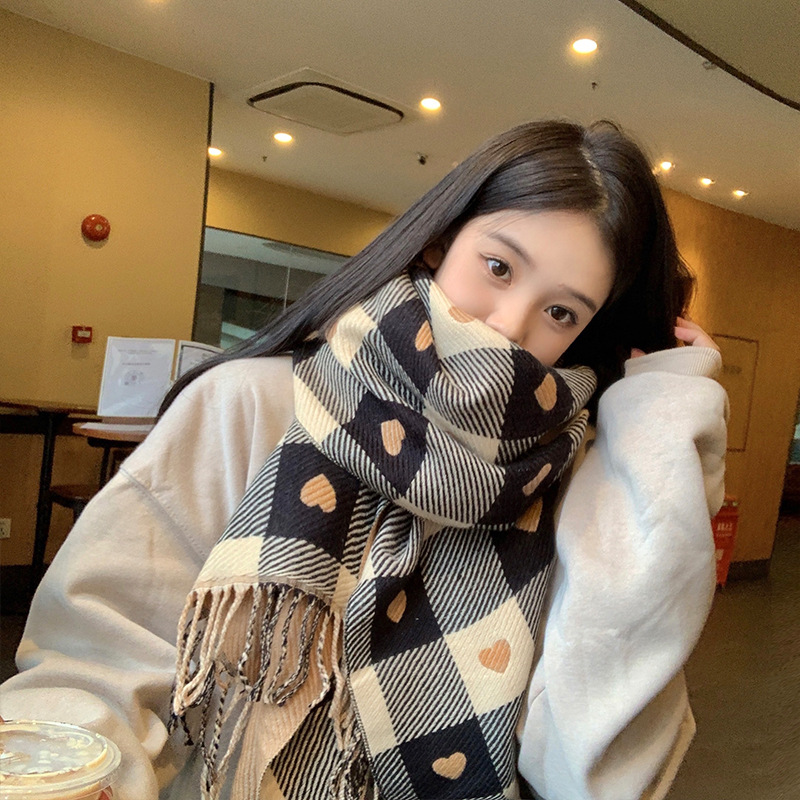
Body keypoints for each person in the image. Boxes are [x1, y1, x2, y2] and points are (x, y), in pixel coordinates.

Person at [0, 120, 727, 800]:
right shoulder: (248, 405)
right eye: (499, 266)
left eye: (561, 312)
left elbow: (599, 767)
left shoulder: (572, 477)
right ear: (440, 243)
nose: (510, 327)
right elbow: (96, 664)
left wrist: (663, 423)